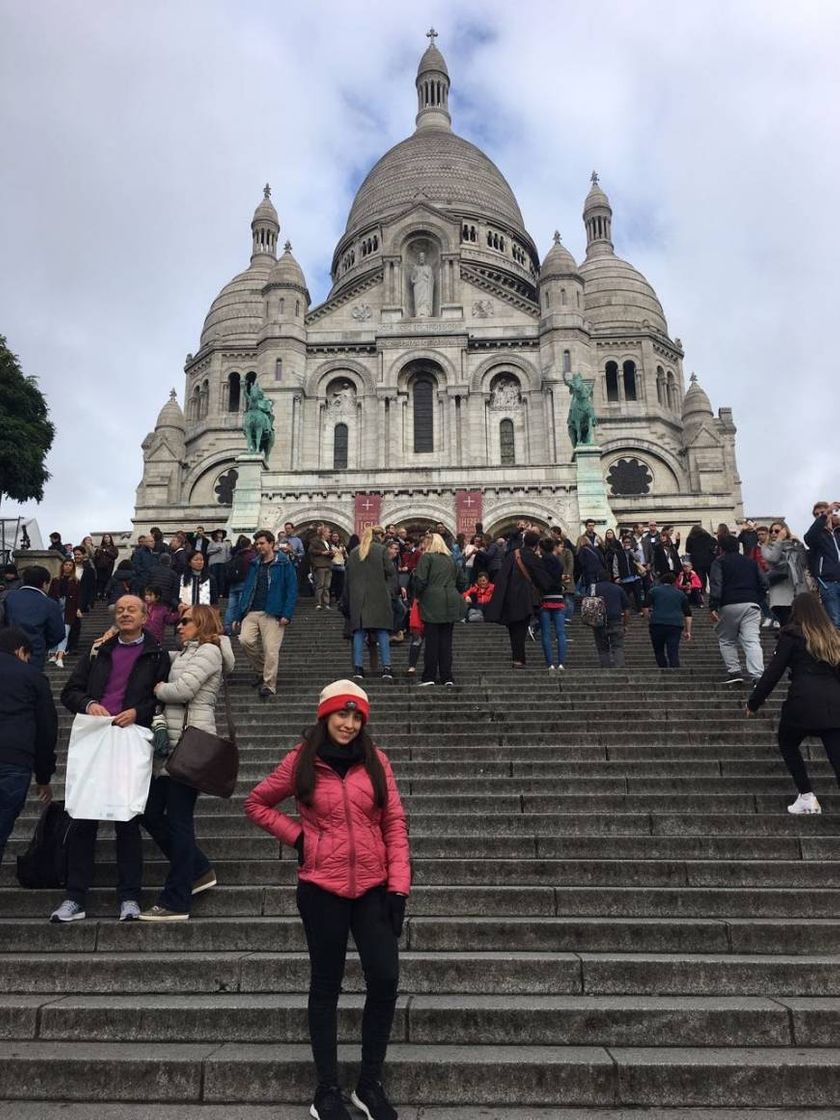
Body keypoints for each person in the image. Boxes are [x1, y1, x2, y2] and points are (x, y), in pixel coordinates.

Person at [244, 679, 410, 1120]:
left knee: (386, 978)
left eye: (357, 717)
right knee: (326, 985)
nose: (349, 724)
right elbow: (257, 803)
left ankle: (369, 1085)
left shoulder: (377, 762)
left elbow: (394, 823)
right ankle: (326, 1091)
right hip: (321, 888)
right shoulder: (302, 761)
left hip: (373, 888)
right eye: (342, 714)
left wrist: (399, 886)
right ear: (325, 716)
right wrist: (300, 838)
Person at [52, 595, 170, 923]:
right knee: (83, 816)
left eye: (132, 609)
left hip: (131, 736)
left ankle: (130, 896)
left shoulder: (157, 654)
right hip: (96, 733)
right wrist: (89, 703)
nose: (125, 614)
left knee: (127, 819)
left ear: (146, 617)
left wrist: (138, 712)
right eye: (120, 610)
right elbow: (69, 691)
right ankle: (75, 898)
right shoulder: (98, 650)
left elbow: (161, 700)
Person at [139, 605, 235, 920]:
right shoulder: (184, 653)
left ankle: (177, 900)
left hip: (191, 746)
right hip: (172, 747)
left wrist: (158, 689)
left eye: (185, 621)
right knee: (151, 813)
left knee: (179, 821)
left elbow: (184, 690)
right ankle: (199, 868)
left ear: (202, 623)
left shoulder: (210, 650)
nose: (178, 626)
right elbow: (151, 654)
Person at [747, 594, 840, 814]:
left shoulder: (791, 635)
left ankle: (806, 795)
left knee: (787, 742)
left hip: (803, 703)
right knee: (837, 757)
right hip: (835, 704)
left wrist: (754, 702)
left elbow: (773, 672)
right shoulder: (832, 636)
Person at [0, 628, 57, 865]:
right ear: (21, 651)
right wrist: (43, 776)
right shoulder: (33, 677)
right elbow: (46, 730)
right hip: (13, 760)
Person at [236, 529, 297, 700]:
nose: (259, 546)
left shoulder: (284, 563)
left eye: (262, 543)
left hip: (273, 612)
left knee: (271, 650)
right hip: (252, 610)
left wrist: (287, 613)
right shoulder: (255, 564)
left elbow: (291, 589)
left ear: (271, 544)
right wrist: (238, 615)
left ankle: (269, 684)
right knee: (244, 640)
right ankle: (261, 670)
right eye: (257, 544)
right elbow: (247, 589)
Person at [485, 530, 551, 668]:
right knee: (521, 628)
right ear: (536, 544)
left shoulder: (513, 554)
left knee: (514, 628)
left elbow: (502, 576)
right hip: (525, 598)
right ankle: (519, 659)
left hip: (509, 596)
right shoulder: (532, 557)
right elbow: (543, 579)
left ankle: (518, 658)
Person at [708, 534, 768, 685]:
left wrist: (713, 605)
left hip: (728, 604)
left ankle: (734, 672)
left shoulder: (719, 562)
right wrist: (757, 598)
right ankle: (757, 675)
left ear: (721, 548)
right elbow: (764, 583)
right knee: (752, 640)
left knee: (727, 639)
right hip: (751, 604)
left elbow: (716, 584)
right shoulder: (751, 562)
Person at [343, 526, 395, 683]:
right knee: (382, 632)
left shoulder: (353, 553)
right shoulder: (381, 550)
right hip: (379, 596)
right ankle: (386, 667)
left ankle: (358, 668)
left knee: (359, 633)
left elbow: (347, 577)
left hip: (358, 598)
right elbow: (390, 571)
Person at [413, 532, 464, 687]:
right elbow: (462, 581)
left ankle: (429, 676)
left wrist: (417, 595)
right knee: (446, 642)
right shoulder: (451, 560)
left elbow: (420, 580)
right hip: (451, 600)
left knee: (432, 641)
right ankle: (447, 677)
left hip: (432, 601)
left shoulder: (426, 557)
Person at [3, 566, 66, 673]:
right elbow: (58, 633)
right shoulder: (50, 604)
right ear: (44, 583)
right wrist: (42, 643)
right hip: (34, 654)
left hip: (8, 651)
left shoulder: (9, 597)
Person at [762, 522, 808, 629]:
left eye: (777, 531)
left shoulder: (794, 547)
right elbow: (773, 558)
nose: (773, 533)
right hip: (780, 593)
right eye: (771, 531)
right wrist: (779, 541)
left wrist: (799, 545)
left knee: (801, 627)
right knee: (787, 625)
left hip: (797, 591)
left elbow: (803, 563)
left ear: (785, 531)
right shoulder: (767, 547)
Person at [804, 501, 840, 629]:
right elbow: (808, 538)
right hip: (828, 582)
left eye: (822, 512)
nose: (820, 515)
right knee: (835, 620)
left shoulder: (837, 532)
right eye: (817, 514)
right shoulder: (816, 535)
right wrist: (825, 514)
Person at [644, 572, 692, 668]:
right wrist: (688, 631)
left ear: (661, 581)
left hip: (657, 623)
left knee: (658, 650)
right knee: (673, 650)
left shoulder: (654, 591)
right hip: (675, 625)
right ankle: (675, 670)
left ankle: (663, 668)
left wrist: (648, 617)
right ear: (675, 582)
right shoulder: (680, 594)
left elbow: (645, 606)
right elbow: (688, 614)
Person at [538, 537, 568, 672]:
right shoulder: (559, 563)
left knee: (546, 633)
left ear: (542, 549)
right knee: (561, 633)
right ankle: (561, 663)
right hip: (558, 598)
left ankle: (550, 664)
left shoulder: (540, 563)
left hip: (544, 598)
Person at [47, 558, 83, 668]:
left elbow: (78, 596)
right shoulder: (55, 580)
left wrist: (78, 608)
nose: (67, 567)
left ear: (73, 568)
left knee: (65, 632)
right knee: (55, 630)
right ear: (62, 566)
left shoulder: (76, 581)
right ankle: (53, 653)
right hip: (57, 606)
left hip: (69, 607)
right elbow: (51, 595)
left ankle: (60, 656)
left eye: (70, 565)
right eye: (66, 564)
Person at [590, 573, 630, 668]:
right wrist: (625, 624)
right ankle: (619, 666)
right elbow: (627, 609)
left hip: (599, 620)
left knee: (602, 647)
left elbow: (589, 605)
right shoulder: (618, 589)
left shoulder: (594, 588)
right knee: (617, 646)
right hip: (615, 619)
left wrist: (591, 621)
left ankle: (605, 667)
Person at [224, 535, 255, 633]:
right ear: (250, 545)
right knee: (242, 606)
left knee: (231, 606)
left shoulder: (236, 555)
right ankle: (240, 626)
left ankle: (227, 627)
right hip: (245, 583)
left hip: (233, 584)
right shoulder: (252, 556)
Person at [309, 524, 335, 610]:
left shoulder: (328, 542)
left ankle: (326, 603)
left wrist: (331, 553)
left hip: (328, 565)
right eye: (328, 532)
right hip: (320, 565)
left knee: (327, 586)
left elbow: (329, 553)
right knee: (320, 585)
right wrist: (322, 552)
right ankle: (318, 603)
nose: (329, 534)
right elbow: (311, 550)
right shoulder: (315, 541)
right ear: (323, 533)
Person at [685, 524, 717, 592]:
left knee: (700, 578)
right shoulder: (708, 536)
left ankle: (702, 592)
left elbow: (687, 550)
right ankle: (713, 592)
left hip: (697, 562)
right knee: (712, 577)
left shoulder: (690, 538)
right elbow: (714, 545)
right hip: (709, 560)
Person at [206, 530, 231, 599]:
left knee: (221, 578)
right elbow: (208, 552)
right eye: (219, 533)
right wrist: (215, 550)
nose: (220, 534)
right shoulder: (212, 543)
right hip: (214, 562)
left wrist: (228, 562)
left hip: (222, 562)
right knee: (214, 578)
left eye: (221, 533)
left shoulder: (226, 543)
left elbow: (228, 553)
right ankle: (214, 592)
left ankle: (221, 593)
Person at [93, 534, 119, 599]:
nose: (106, 539)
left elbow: (115, 556)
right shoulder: (100, 547)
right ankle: (99, 594)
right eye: (105, 537)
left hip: (108, 566)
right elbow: (96, 557)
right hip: (100, 566)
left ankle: (105, 594)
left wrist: (107, 551)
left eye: (108, 537)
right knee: (100, 580)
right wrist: (99, 551)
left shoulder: (113, 548)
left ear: (110, 538)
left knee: (107, 580)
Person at [329, 531, 348, 605]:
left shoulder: (342, 546)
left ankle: (338, 598)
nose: (335, 538)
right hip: (333, 565)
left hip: (341, 565)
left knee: (340, 583)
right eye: (334, 536)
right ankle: (330, 598)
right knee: (331, 583)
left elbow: (346, 556)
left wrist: (344, 553)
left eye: (336, 536)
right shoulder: (329, 545)